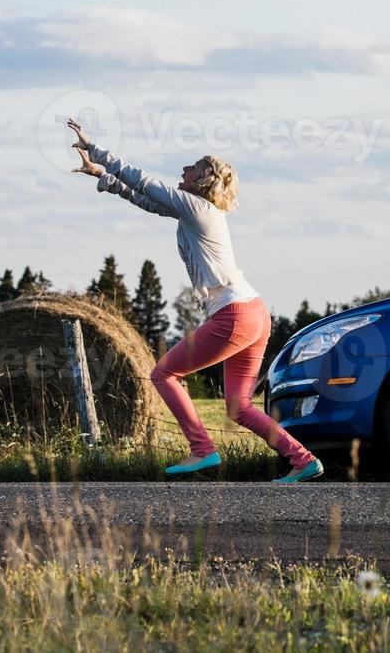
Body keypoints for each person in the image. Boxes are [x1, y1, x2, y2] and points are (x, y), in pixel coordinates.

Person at [66, 118, 323, 485]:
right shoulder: (196, 212)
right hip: (254, 312)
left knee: (164, 373)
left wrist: (96, 150)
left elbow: (143, 180)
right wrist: (102, 178)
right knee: (238, 406)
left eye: (193, 167)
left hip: (234, 315)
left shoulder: (197, 209)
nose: (184, 170)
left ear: (202, 180)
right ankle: (302, 460)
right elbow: (146, 201)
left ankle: (201, 449)